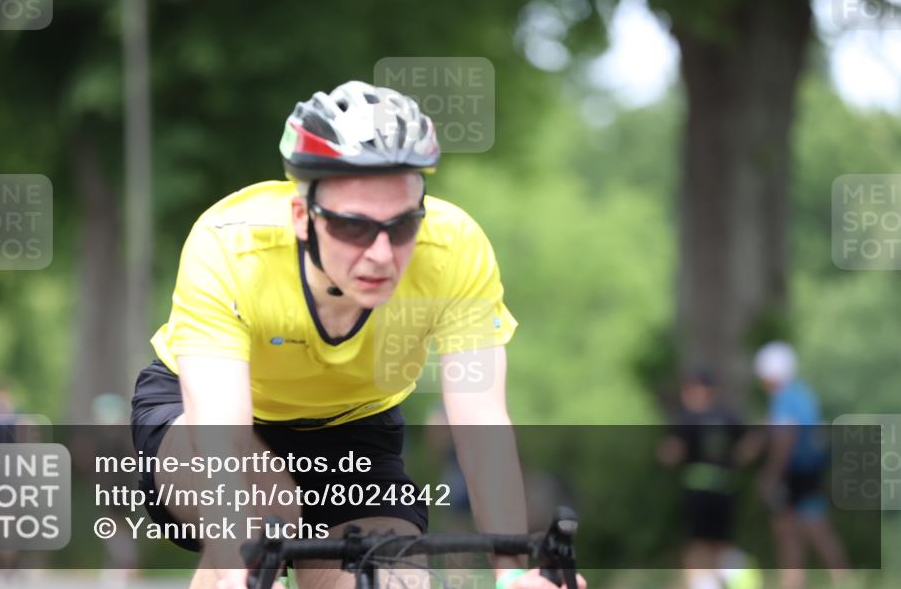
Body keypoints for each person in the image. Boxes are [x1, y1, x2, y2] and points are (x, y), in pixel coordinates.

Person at [130, 81, 582, 589]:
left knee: (394, 582)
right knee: (258, 523)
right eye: (353, 227)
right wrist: (239, 567)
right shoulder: (231, 247)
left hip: (354, 427)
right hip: (207, 416)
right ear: (303, 217)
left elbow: (480, 425)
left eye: (402, 226)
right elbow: (221, 437)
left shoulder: (453, 251)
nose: (382, 254)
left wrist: (513, 573)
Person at [754, 341, 849, 589]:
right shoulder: (801, 393)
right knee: (805, 527)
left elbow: (786, 437)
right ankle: (829, 580)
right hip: (810, 469)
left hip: (794, 472)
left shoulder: (783, 398)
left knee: (796, 530)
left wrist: (771, 474)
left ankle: (799, 581)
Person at [657, 370, 757, 589]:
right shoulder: (727, 415)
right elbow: (751, 441)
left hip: (698, 492)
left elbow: (672, 453)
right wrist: (736, 458)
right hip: (725, 490)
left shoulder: (688, 418)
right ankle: (740, 576)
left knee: (696, 549)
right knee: (720, 546)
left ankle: (715, 582)